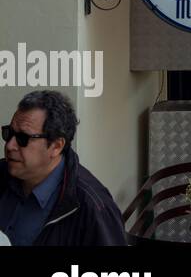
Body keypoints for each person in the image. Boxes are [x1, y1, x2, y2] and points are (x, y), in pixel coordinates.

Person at [1, 91, 127, 245]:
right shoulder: (3, 174)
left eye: (23, 138)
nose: (9, 145)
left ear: (56, 146)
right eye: (9, 133)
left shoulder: (93, 207)